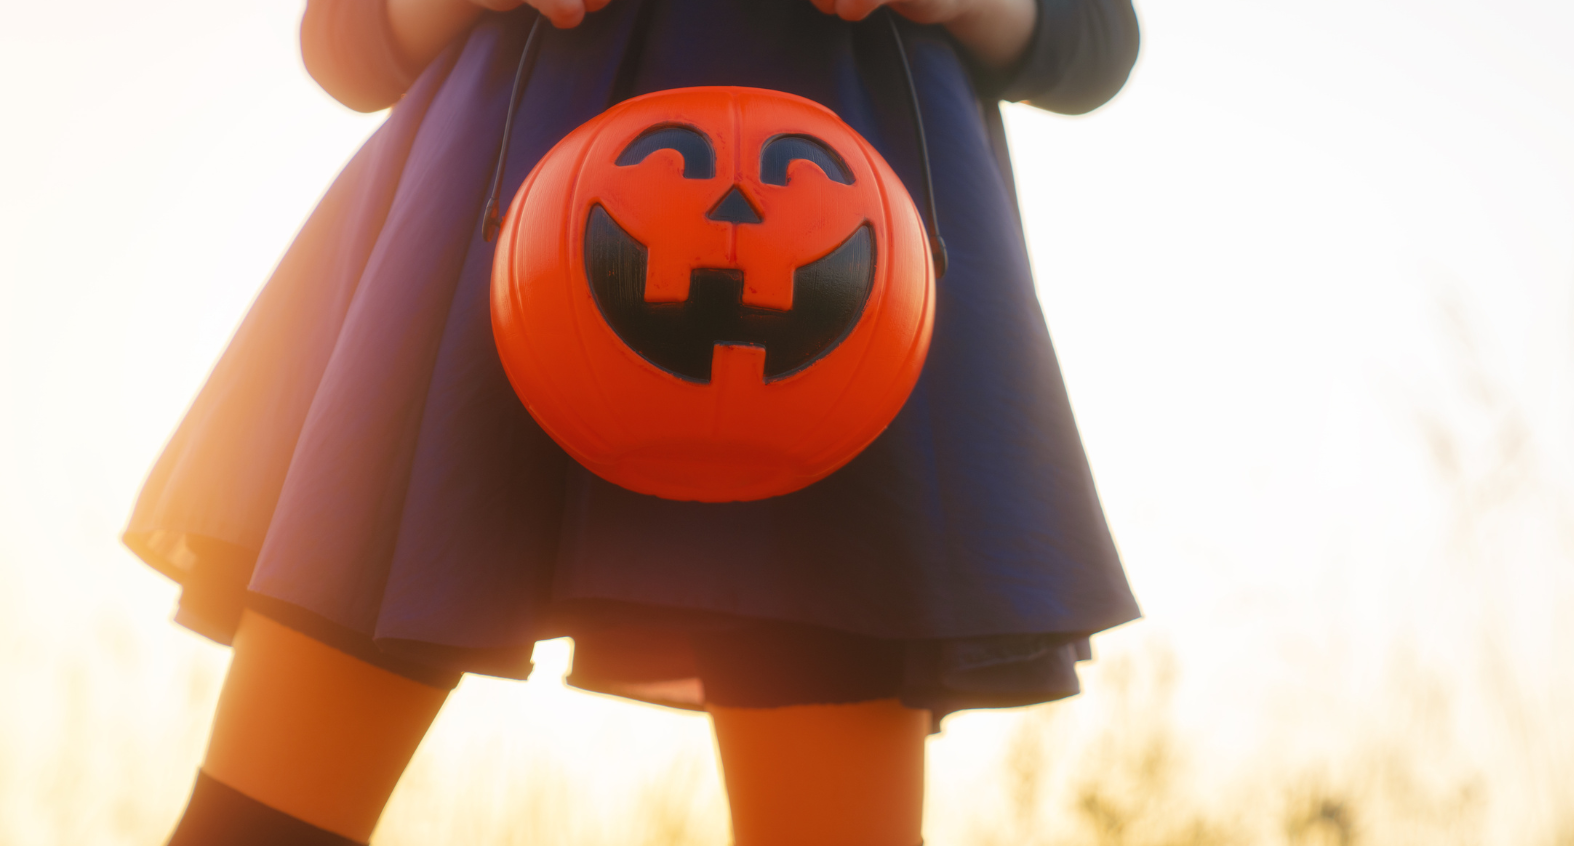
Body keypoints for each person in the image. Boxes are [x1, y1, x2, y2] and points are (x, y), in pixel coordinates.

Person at [127, 0, 1140, 843]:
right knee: (256, 827)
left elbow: (1093, 39)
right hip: (493, 238)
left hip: (848, 284)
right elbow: (345, 42)